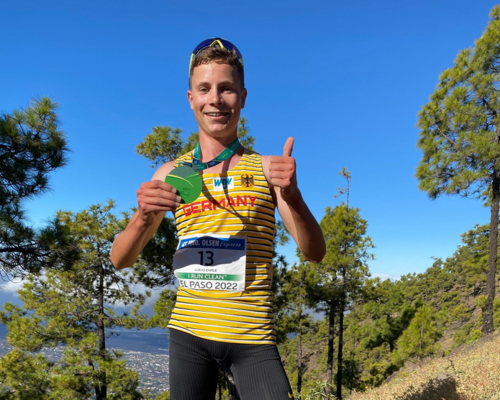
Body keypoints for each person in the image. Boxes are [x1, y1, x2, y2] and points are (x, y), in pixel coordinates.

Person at [110, 38, 326, 400]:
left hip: (251, 338)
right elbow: (120, 259)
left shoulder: (268, 169)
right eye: (204, 89)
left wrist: (293, 196)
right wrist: (142, 217)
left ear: (242, 97)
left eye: (226, 89)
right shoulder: (172, 174)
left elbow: (314, 252)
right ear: (191, 98)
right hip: (188, 335)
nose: (215, 99)